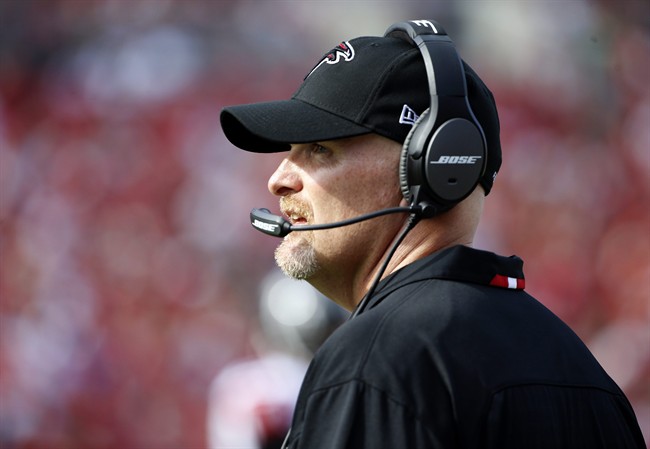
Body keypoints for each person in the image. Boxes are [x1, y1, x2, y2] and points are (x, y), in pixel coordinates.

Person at [219, 19, 645, 449]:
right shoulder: (586, 375)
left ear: (435, 165)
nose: (278, 179)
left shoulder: (374, 359)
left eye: (319, 149)